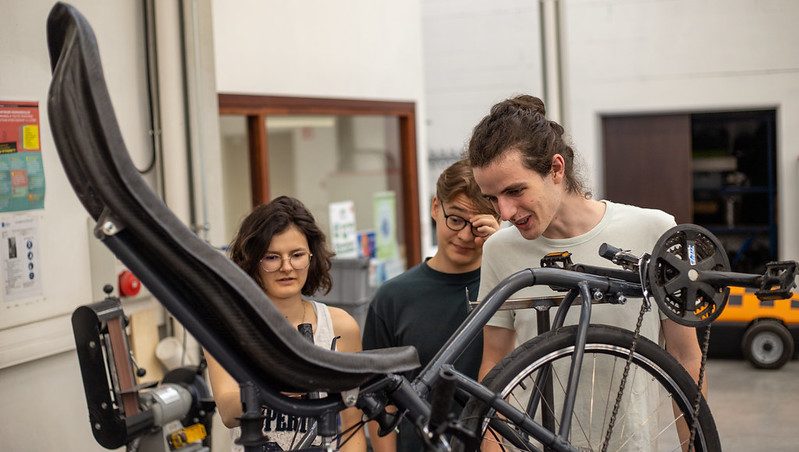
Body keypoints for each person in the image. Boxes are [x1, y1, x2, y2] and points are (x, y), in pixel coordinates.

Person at [468, 95, 704, 448]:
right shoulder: (500, 250)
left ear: (556, 169)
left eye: (515, 190)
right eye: (492, 198)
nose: (504, 211)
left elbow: (685, 357)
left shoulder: (653, 230)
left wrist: (696, 446)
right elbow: (494, 364)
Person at [206, 196, 366, 452]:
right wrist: (281, 384)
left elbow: (352, 426)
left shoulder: (340, 326)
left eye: (297, 255)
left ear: (311, 257)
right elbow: (228, 412)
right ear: (252, 261)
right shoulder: (229, 328)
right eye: (271, 257)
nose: (287, 267)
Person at [363, 159, 501, 452]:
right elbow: (379, 403)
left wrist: (502, 247)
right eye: (456, 219)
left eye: (478, 226)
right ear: (436, 207)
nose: (465, 236)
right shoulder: (392, 298)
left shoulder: (508, 290)